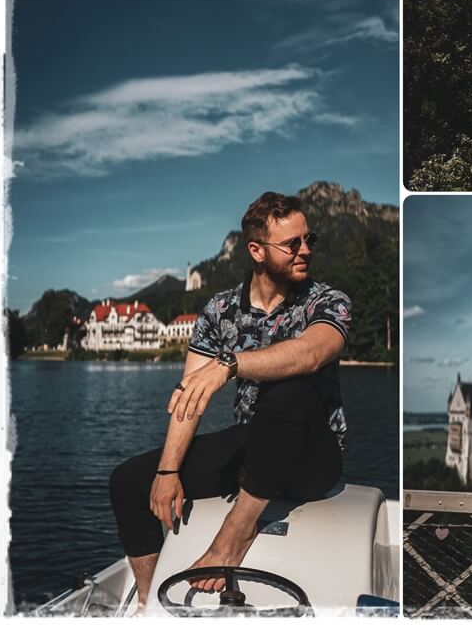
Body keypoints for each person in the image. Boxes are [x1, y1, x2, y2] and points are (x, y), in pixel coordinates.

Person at [109, 192, 352, 611]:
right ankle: (149, 604)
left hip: (313, 456)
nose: (306, 250)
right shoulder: (219, 310)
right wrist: (168, 469)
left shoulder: (326, 301)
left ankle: (233, 536)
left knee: (291, 388)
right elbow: (190, 395)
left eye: (308, 239)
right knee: (129, 482)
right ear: (256, 251)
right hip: (254, 444)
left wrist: (230, 364)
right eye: (292, 244)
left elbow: (311, 353)